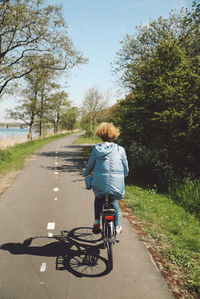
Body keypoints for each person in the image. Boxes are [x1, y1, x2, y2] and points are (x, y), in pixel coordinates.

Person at [83, 122, 129, 234]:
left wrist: (85, 173)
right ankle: (117, 226)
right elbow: (125, 168)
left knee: (98, 198)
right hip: (116, 184)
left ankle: (96, 222)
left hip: (99, 183)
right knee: (113, 200)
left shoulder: (97, 149)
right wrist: (124, 175)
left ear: (101, 135)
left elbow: (90, 165)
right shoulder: (120, 150)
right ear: (114, 135)